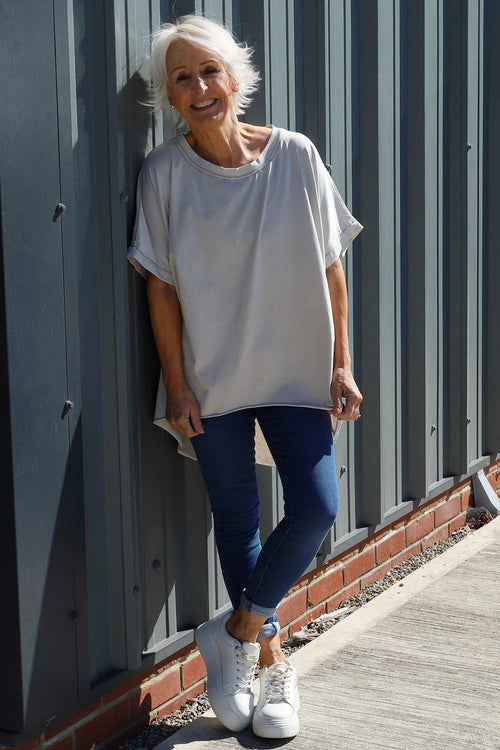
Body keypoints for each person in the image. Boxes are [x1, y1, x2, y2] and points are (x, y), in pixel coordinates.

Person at [128, 14, 362, 739]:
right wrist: (176, 382)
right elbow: (161, 287)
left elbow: (332, 267)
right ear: (169, 97)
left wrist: (342, 362)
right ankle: (269, 661)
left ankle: (232, 632)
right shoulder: (164, 173)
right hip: (212, 377)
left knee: (316, 506)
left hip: (296, 371)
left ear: (236, 79)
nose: (200, 87)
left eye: (210, 72)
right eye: (182, 78)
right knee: (237, 519)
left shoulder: (294, 154)